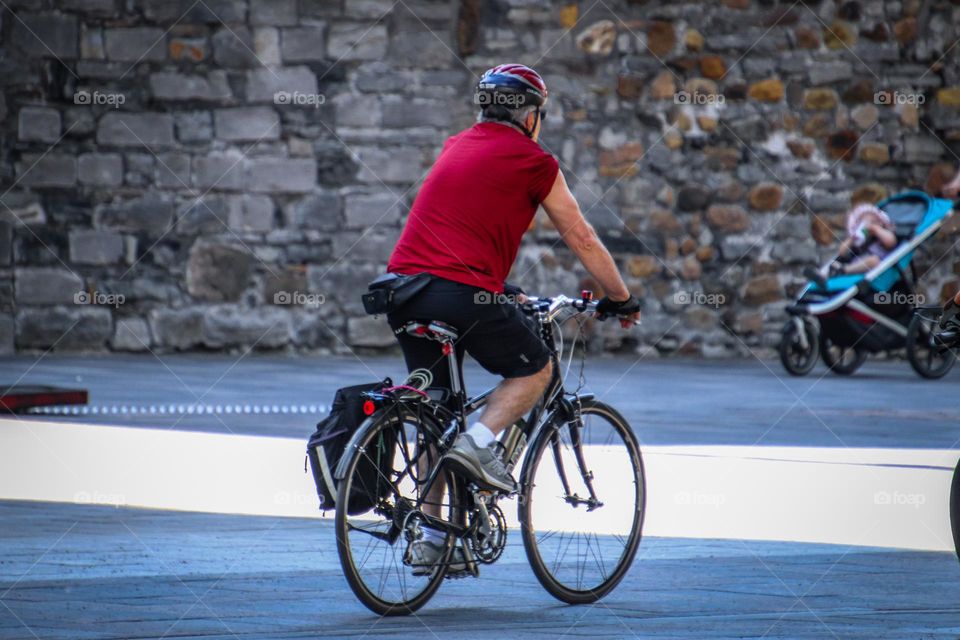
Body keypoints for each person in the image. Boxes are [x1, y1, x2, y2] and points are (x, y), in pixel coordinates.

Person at [381, 64, 640, 573]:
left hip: (404, 291)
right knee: (535, 370)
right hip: (459, 292)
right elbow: (581, 236)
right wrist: (621, 297)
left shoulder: (458, 144)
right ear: (530, 116)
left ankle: (435, 538)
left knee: (436, 409)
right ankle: (479, 445)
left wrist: (501, 289)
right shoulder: (534, 160)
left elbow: (452, 235)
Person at [805, 202, 897, 288]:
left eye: (872, 221)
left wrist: (875, 229)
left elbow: (891, 242)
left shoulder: (885, 232)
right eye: (861, 222)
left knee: (873, 260)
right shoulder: (861, 239)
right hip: (857, 265)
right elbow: (841, 252)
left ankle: (842, 270)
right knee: (834, 263)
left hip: (876, 265)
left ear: (880, 221)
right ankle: (821, 275)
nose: (867, 225)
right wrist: (852, 237)